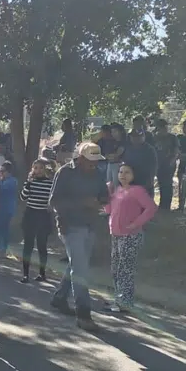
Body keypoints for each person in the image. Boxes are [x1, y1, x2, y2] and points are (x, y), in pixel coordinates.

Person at [48, 142, 109, 332]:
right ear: (80, 158)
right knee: (81, 270)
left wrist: (100, 202)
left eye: (97, 161)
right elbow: (54, 202)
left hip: (90, 224)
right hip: (70, 226)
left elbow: (104, 196)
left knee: (77, 265)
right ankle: (84, 315)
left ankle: (59, 298)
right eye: (91, 161)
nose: (94, 164)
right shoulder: (65, 172)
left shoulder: (98, 173)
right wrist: (82, 203)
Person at [105, 164, 158, 313]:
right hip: (115, 234)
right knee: (115, 269)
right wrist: (107, 194)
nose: (123, 175)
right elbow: (108, 210)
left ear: (134, 175)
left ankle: (126, 302)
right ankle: (119, 298)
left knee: (125, 270)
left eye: (127, 172)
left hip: (130, 236)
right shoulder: (117, 190)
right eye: (121, 172)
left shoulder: (137, 191)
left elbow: (151, 208)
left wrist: (135, 223)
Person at [18, 159, 54, 283]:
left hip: (43, 216)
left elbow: (51, 200)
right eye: (35, 168)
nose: (37, 170)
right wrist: (28, 183)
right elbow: (23, 197)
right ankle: (25, 274)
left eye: (40, 168)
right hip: (30, 215)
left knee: (42, 246)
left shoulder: (50, 183)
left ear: (45, 169)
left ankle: (42, 273)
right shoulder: (30, 182)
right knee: (28, 245)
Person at [121, 130, 157, 197]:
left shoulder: (149, 149)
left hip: (145, 180)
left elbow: (153, 167)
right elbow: (125, 163)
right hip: (131, 180)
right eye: (133, 136)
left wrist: (150, 180)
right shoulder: (128, 148)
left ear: (143, 137)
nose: (135, 138)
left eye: (138, 137)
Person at [152, 119, 179, 211]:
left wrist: (171, 161)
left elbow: (176, 151)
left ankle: (166, 205)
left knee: (167, 184)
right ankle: (161, 205)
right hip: (158, 164)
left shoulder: (172, 137)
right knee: (160, 183)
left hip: (169, 164)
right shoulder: (154, 137)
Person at [0, 161, 18, 258]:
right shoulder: (2, 180)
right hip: (0, 209)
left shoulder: (11, 181)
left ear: (9, 171)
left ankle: (2, 250)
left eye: (2, 171)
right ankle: (1, 249)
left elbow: (0, 190)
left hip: (6, 209)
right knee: (0, 230)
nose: (1, 173)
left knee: (3, 230)